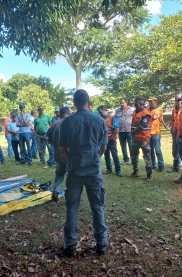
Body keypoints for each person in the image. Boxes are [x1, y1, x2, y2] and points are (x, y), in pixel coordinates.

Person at [59, 89, 109, 257]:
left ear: (74, 103)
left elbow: (63, 149)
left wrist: (73, 160)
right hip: (94, 170)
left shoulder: (67, 122)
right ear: (88, 101)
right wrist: (95, 158)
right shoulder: (99, 120)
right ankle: (102, 243)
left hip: (75, 171)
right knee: (97, 207)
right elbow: (103, 147)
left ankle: (70, 244)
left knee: (72, 207)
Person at [47, 107, 70, 202]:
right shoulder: (72, 123)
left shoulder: (54, 124)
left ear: (59, 114)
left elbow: (49, 139)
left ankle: (56, 191)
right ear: (69, 113)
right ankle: (72, 194)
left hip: (59, 154)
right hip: (71, 155)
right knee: (71, 175)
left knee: (59, 173)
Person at [130, 97, 153, 181]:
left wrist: (133, 132)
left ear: (142, 104)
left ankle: (149, 174)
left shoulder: (146, 113)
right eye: (135, 103)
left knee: (147, 157)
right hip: (135, 138)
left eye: (137, 103)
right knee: (134, 156)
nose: (135, 104)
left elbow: (142, 125)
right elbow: (133, 124)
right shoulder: (134, 112)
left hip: (144, 139)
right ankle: (135, 171)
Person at [98, 105, 122, 177]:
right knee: (106, 154)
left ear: (104, 110)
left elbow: (116, 128)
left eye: (101, 112)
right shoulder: (101, 118)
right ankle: (109, 169)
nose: (100, 114)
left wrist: (112, 136)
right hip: (104, 140)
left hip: (111, 139)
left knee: (114, 154)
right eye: (99, 113)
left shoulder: (112, 117)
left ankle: (118, 170)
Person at [147, 97, 165, 172]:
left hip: (156, 133)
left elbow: (154, 117)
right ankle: (153, 164)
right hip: (148, 132)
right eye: (149, 102)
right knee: (150, 150)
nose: (150, 103)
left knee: (157, 150)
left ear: (155, 102)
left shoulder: (159, 109)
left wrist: (149, 114)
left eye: (152, 101)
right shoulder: (147, 110)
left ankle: (161, 165)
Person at [114, 98, 134, 165]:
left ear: (126, 103)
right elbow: (115, 119)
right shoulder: (118, 111)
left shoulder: (132, 109)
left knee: (131, 146)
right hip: (120, 131)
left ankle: (133, 159)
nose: (121, 104)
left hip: (129, 131)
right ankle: (126, 160)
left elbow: (135, 118)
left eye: (123, 103)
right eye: (120, 103)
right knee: (123, 147)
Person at [167, 94, 182, 173]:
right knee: (175, 148)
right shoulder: (174, 110)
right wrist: (172, 128)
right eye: (177, 100)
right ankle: (176, 166)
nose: (178, 102)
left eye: (180, 100)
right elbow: (173, 120)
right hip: (175, 130)